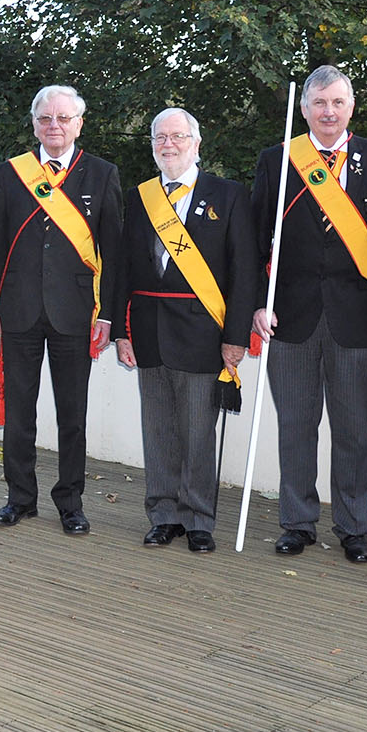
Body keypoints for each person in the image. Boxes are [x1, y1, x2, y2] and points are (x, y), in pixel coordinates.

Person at [250, 65, 367, 564]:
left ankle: (353, 526)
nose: (328, 112)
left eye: (337, 103)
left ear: (351, 107)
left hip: (358, 318)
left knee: (353, 427)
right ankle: (297, 522)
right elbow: (255, 243)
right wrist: (258, 301)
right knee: (295, 425)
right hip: (290, 317)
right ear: (304, 110)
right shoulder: (277, 160)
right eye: (319, 104)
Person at [112, 107, 257, 553]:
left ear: (197, 142)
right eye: (159, 138)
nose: (168, 145)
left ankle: (198, 519)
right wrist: (121, 330)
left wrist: (235, 337)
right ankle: (163, 513)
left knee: (197, 430)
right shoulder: (139, 198)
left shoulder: (228, 195)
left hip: (202, 331)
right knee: (157, 429)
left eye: (177, 136)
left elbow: (244, 271)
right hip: (149, 330)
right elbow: (121, 270)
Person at [0, 85, 123, 533]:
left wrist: (108, 315)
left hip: (76, 312)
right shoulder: (11, 172)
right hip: (19, 308)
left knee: (72, 416)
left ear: (80, 123)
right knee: (19, 413)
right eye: (45, 119)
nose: (54, 126)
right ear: (35, 124)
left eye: (63, 118)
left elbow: (114, 252)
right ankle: (19, 498)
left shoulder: (102, 174)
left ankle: (71, 503)